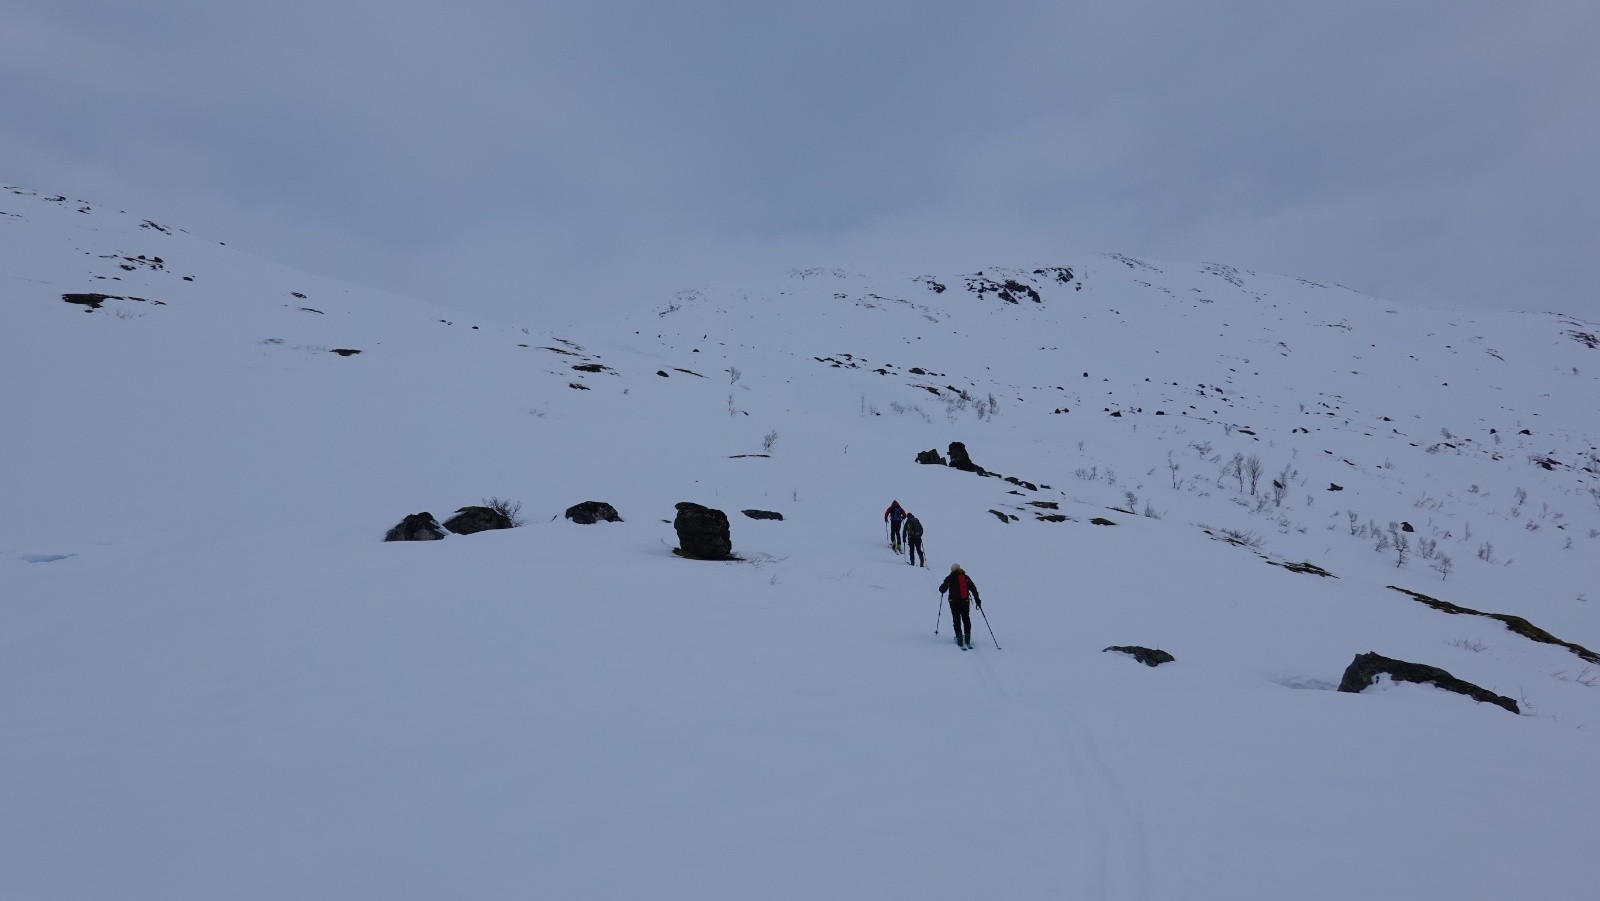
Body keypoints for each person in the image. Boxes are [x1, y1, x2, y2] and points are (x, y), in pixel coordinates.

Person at [938, 563, 981, 649]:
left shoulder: (949, 577)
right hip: (965, 601)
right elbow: (973, 588)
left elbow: (942, 589)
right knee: (966, 618)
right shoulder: (966, 577)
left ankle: (960, 638)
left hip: (953, 602)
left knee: (956, 619)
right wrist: (977, 600)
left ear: (952, 570)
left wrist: (944, 584)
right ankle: (968, 638)